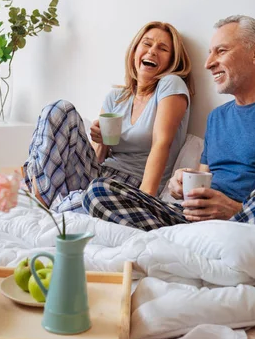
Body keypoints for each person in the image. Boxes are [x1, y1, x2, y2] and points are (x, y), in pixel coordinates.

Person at [84, 15, 255, 236]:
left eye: (221, 51)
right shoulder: (217, 117)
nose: (208, 63)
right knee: (98, 192)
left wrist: (235, 210)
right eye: (209, 53)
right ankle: (190, 243)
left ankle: (199, 243)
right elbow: (204, 178)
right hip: (197, 224)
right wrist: (180, 183)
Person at [23, 21, 194, 213]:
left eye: (163, 49)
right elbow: (98, 158)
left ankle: (56, 204)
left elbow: (162, 143)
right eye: (147, 44)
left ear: (172, 61)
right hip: (100, 175)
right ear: (135, 50)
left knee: (83, 201)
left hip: (131, 186)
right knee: (58, 110)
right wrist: (101, 141)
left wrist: (144, 200)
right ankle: (40, 201)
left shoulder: (171, 84)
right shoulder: (116, 96)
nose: (152, 51)